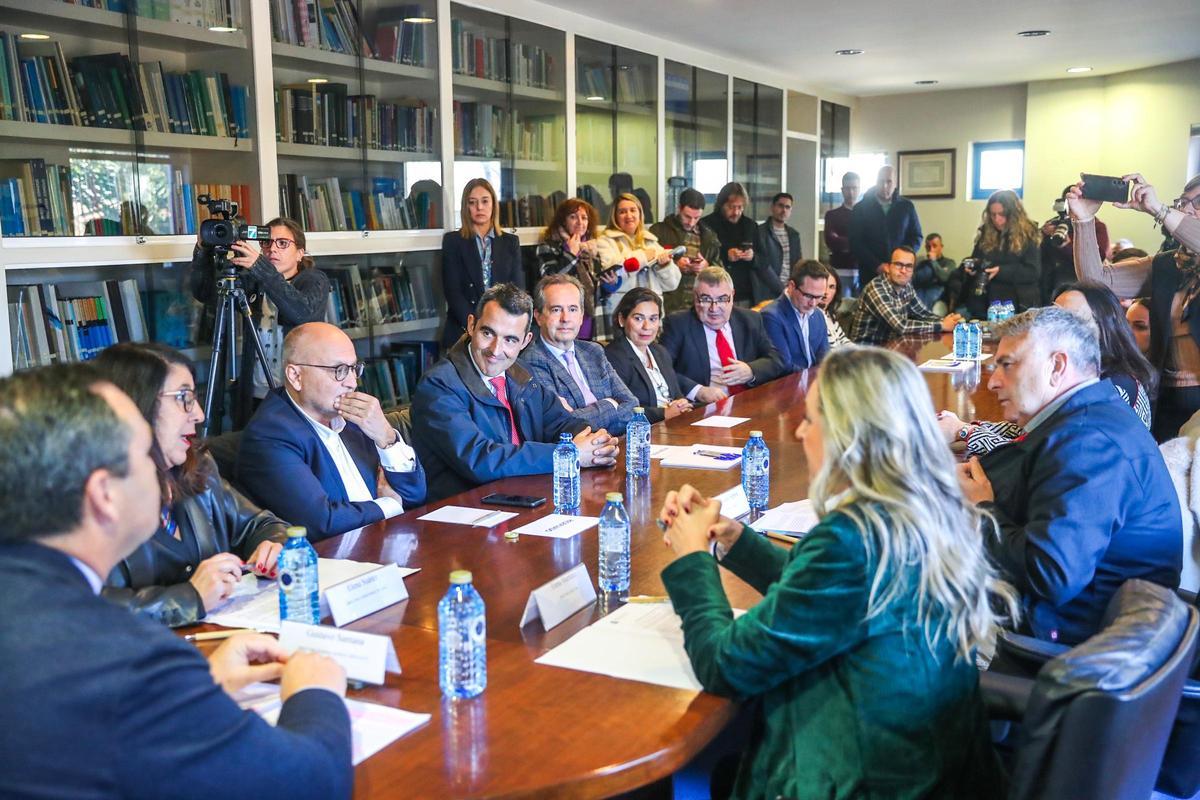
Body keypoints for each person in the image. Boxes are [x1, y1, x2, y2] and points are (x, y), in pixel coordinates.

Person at [657, 347, 1015, 800]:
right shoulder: (919, 510)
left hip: (857, 776)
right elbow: (830, 598)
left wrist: (693, 558)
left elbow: (727, 666)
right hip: (924, 765)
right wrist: (734, 541)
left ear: (849, 435)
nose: (802, 431)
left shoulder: (852, 538)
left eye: (810, 419)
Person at [0, 364, 352, 799]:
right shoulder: (132, 664)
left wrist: (199, 683)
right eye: (141, 455)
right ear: (104, 495)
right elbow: (311, 782)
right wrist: (315, 691)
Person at [956, 307, 1181, 645]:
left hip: (1060, 643)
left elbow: (1050, 575)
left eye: (1008, 364)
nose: (993, 380)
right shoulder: (1087, 416)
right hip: (1065, 622)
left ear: (1057, 366)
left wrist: (982, 509)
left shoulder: (1087, 442)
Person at [93, 342, 287, 628]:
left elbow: (261, 524)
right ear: (135, 405)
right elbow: (83, 609)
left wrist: (274, 546)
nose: (199, 414)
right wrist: (190, 598)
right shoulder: (89, 498)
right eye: (183, 397)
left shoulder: (197, 466)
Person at [410, 283, 619, 503]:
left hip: (521, 500)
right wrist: (568, 455)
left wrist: (596, 444)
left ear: (526, 341)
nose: (496, 350)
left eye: (510, 339)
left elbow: (560, 423)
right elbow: (481, 460)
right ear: (471, 325)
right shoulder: (438, 385)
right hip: (464, 514)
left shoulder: (519, 373)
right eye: (488, 333)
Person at [238, 322, 426, 541]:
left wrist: (386, 436)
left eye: (354, 369)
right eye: (339, 370)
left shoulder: (354, 418)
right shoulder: (270, 435)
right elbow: (322, 523)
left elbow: (415, 496)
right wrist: (390, 505)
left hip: (382, 545)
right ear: (295, 376)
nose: (352, 383)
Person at [939, 281, 1156, 454]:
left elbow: (1037, 453)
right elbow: (1028, 431)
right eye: (1054, 315)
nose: (1055, 326)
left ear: (1105, 326)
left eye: (1070, 319)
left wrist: (963, 431)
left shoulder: (1113, 390)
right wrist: (964, 427)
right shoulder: (1085, 377)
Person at [1071, 172, 1200, 440]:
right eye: (1183, 202)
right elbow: (1096, 283)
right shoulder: (1168, 265)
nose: (1187, 209)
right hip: (1167, 399)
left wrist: (1158, 209)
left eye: (1197, 203)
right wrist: (1083, 220)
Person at [190, 216, 329, 429]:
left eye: (283, 243)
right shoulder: (255, 282)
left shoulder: (313, 280)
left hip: (297, 395)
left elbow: (302, 313)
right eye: (267, 243)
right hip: (255, 392)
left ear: (300, 253)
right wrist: (203, 251)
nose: (273, 249)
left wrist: (261, 268)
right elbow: (205, 292)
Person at [518, 274, 638, 435]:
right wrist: (611, 404)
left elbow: (632, 406)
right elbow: (563, 425)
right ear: (538, 316)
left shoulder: (593, 351)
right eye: (556, 309)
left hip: (616, 446)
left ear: (581, 316)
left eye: (573, 309)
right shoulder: (531, 362)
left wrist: (585, 416)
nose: (565, 318)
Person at [660, 266, 784, 403]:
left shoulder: (750, 319)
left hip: (748, 401)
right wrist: (698, 390)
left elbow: (776, 360)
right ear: (695, 297)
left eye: (722, 299)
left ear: (732, 296)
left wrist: (751, 371)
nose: (714, 308)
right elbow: (661, 369)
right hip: (703, 407)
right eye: (706, 299)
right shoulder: (678, 324)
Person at [441, 178, 523, 349]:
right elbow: (453, 292)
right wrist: (477, 328)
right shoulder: (453, 241)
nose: (479, 207)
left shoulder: (510, 242)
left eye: (485, 201)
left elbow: (517, 290)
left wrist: (497, 326)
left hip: (502, 331)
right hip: (463, 330)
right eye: (473, 202)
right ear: (466, 207)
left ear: (493, 204)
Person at [529, 197, 617, 341]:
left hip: (594, 323)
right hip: (562, 322)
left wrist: (609, 284)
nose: (580, 222)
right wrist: (570, 254)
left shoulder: (591, 249)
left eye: (584, 218)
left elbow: (597, 291)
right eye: (573, 217)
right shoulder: (548, 246)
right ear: (563, 220)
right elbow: (549, 279)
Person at [604, 288, 693, 424]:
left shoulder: (660, 352)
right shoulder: (613, 356)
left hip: (674, 424)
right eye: (638, 318)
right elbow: (620, 408)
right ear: (622, 319)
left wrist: (681, 403)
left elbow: (676, 394)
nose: (647, 326)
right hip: (643, 431)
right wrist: (664, 413)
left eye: (653, 319)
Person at [595, 192, 681, 323]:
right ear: (615, 216)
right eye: (622, 212)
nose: (629, 215)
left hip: (652, 316)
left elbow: (672, 284)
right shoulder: (605, 241)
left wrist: (665, 266)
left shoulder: (652, 242)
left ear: (640, 214)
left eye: (633, 210)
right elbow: (610, 270)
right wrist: (643, 257)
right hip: (622, 315)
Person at [848, 246, 960, 344]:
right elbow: (901, 326)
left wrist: (948, 321)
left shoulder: (906, 285)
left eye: (909, 266)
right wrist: (942, 326)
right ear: (887, 267)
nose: (903, 270)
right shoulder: (876, 289)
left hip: (891, 347)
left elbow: (922, 313)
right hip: (866, 353)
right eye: (898, 265)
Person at [702, 182, 783, 305]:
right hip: (715, 293)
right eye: (731, 207)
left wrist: (752, 257)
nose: (736, 212)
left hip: (746, 294)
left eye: (740, 207)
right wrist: (726, 255)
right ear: (721, 205)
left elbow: (764, 261)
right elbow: (702, 256)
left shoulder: (750, 226)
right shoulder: (707, 225)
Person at [650, 188, 724, 314]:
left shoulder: (709, 236)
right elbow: (649, 266)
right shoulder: (659, 231)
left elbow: (721, 273)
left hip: (699, 305)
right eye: (687, 217)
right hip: (668, 303)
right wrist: (672, 266)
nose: (691, 222)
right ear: (679, 208)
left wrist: (706, 267)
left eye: (697, 218)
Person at [849, 165, 922, 290]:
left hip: (900, 273)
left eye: (889, 182)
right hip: (870, 273)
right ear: (876, 182)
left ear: (895, 183)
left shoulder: (906, 207)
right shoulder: (860, 208)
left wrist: (901, 261)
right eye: (881, 182)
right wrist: (877, 265)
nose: (885, 186)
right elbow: (855, 243)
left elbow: (916, 237)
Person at [970, 189, 1042, 312]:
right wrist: (972, 266)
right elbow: (978, 259)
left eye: (1002, 214)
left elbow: (1033, 271)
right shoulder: (986, 233)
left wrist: (1001, 271)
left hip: (1020, 301)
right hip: (988, 300)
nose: (997, 219)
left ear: (1013, 214)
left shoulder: (1029, 234)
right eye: (993, 214)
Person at [1040, 185, 1109, 304]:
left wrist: (1067, 246)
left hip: (1079, 283)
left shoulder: (1097, 226)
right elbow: (1041, 256)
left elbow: (1099, 256)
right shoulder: (1055, 224)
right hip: (1050, 282)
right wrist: (1044, 235)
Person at [760, 260, 831, 373]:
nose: (812, 303)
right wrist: (813, 379)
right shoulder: (771, 316)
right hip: (787, 385)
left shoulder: (817, 315)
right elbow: (784, 365)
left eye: (819, 297)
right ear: (791, 286)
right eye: (808, 296)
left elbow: (824, 357)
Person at [824, 171, 860, 289]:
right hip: (839, 270)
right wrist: (860, 242)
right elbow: (831, 241)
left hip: (863, 270)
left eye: (854, 188)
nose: (851, 192)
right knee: (841, 306)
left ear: (859, 189)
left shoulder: (868, 215)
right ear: (842, 190)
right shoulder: (832, 215)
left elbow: (873, 240)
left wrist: (842, 239)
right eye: (847, 188)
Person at [758, 192, 803, 287]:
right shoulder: (760, 232)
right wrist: (780, 287)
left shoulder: (794, 235)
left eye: (787, 207)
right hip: (768, 288)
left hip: (790, 287)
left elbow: (798, 263)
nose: (784, 210)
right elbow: (762, 265)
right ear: (772, 207)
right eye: (780, 206)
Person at [913, 232, 955, 314]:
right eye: (928, 247)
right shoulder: (922, 263)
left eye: (934, 246)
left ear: (941, 247)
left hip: (937, 292)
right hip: (921, 290)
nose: (931, 249)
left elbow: (945, 278)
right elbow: (914, 280)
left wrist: (933, 261)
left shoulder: (949, 263)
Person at [819, 268, 851, 349]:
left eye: (831, 287)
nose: (826, 292)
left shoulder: (829, 314)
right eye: (823, 286)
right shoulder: (811, 316)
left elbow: (843, 340)